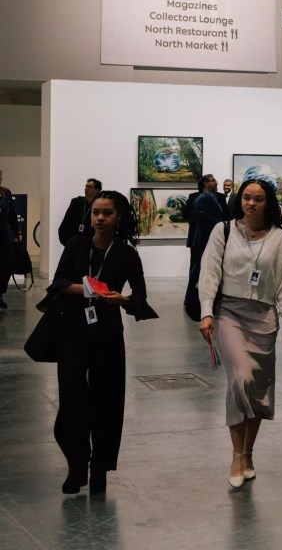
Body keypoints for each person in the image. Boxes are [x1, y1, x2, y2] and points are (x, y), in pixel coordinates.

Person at [41, 190, 157, 494]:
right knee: (71, 401)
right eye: (95, 213)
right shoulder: (77, 244)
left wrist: (123, 299)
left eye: (106, 213)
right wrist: (83, 290)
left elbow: (141, 297)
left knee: (108, 401)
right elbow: (58, 283)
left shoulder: (126, 253)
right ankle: (77, 464)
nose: (100, 218)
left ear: (118, 216)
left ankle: (100, 466)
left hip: (107, 332)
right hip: (73, 331)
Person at [197, 178, 282, 488]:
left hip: (264, 319)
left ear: (268, 203)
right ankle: (236, 456)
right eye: (246, 198)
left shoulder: (280, 238)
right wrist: (206, 312)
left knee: (258, 390)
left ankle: (248, 452)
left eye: (257, 199)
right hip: (230, 314)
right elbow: (209, 271)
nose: (250, 203)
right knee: (239, 378)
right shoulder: (223, 231)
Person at [184, 174, 224, 321]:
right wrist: (222, 226)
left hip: (210, 240)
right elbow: (203, 217)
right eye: (213, 180)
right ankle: (192, 301)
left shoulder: (211, 197)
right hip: (204, 241)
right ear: (206, 183)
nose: (217, 182)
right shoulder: (202, 199)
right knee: (197, 270)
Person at [0, 170, 24, 310]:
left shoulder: (6, 193)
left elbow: (12, 215)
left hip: (3, 234)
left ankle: (0, 294)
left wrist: (17, 232)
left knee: (5, 265)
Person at [57, 178, 102, 246]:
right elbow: (65, 224)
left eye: (89, 187)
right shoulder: (76, 202)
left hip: (90, 246)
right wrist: (67, 244)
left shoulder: (100, 206)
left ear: (97, 190)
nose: (86, 188)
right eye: (86, 186)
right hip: (72, 244)